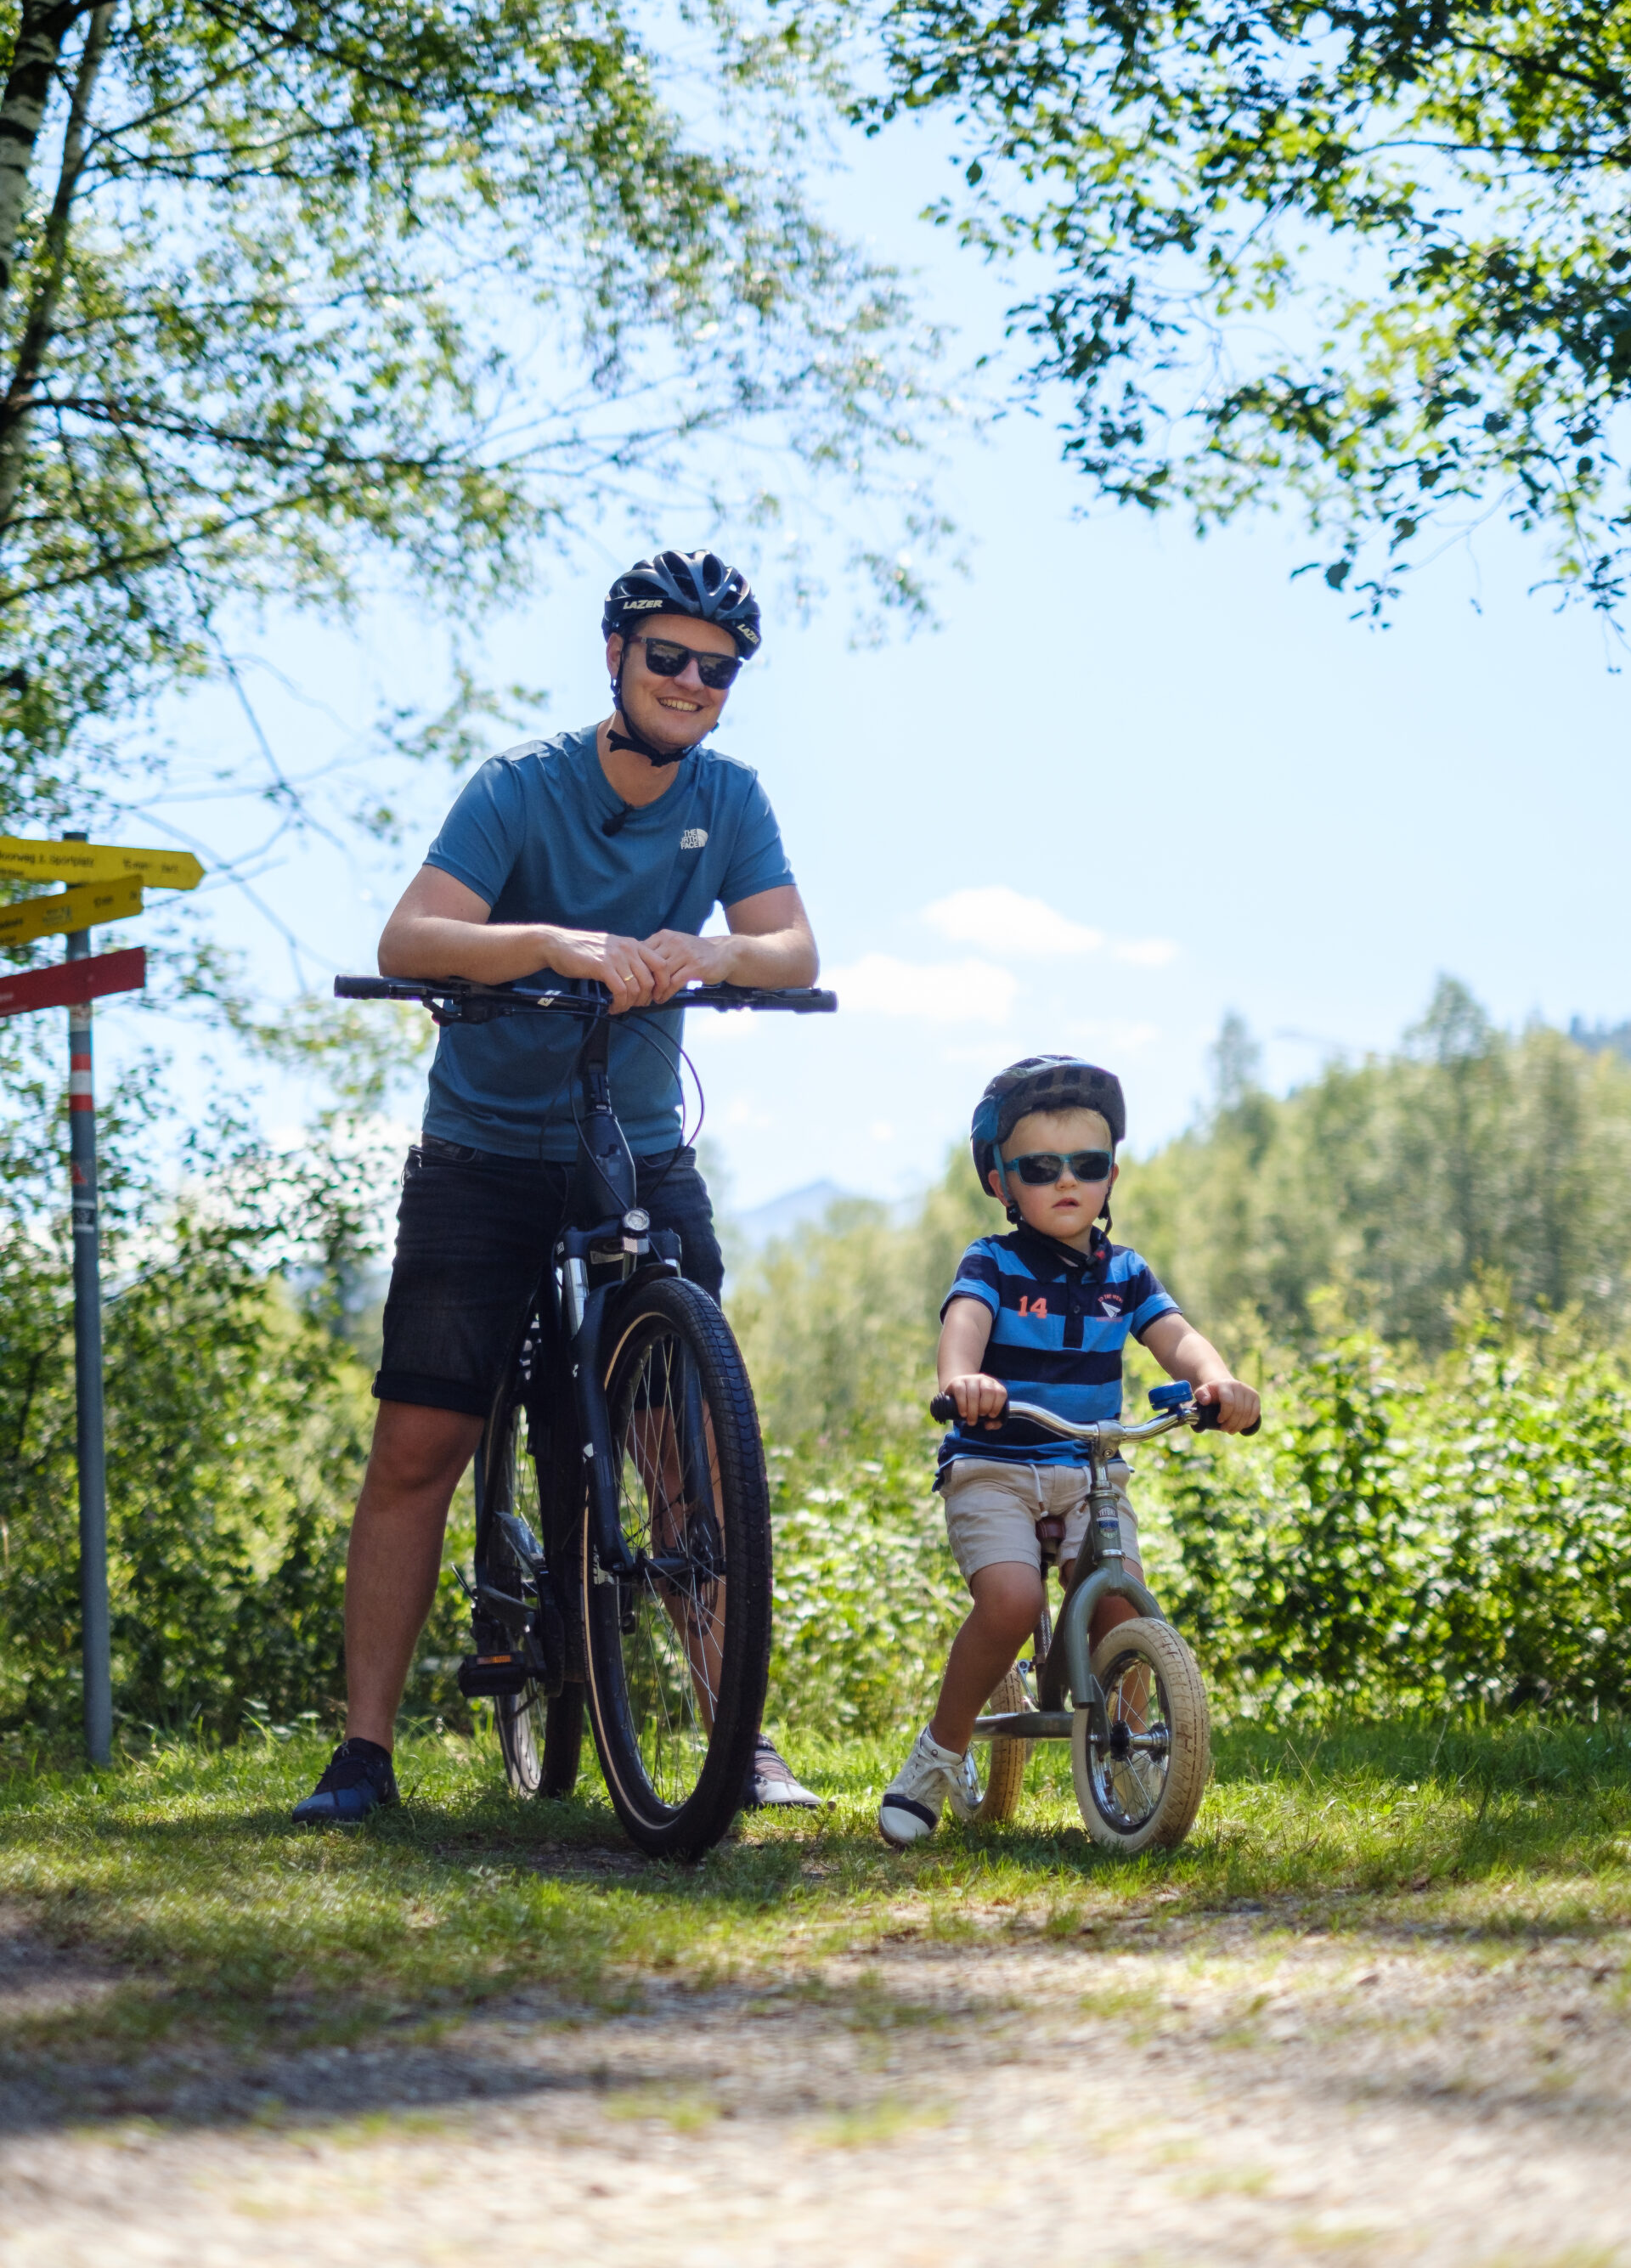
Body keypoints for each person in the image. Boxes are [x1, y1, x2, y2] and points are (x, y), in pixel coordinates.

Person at [295, 548, 823, 1822]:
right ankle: (364, 1756)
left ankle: (734, 1734)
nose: (693, 682)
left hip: (634, 1151)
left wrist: (708, 950)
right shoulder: (519, 788)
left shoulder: (730, 798)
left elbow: (794, 946)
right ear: (615, 656)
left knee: (693, 1444)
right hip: (482, 1156)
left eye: (719, 667)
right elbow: (408, 938)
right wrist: (550, 942)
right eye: (669, 657)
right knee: (422, 1443)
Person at [878, 1055, 1260, 1847]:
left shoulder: (1125, 1273)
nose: (1066, 1182)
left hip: (1091, 1468)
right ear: (1000, 1182)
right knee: (1012, 1603)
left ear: (1112, 1175)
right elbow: (964, 1330)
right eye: (1040, 1167)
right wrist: (964, 1382)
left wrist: (1218, 1382)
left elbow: (1178, 1340)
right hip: (997, 1465)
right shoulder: (992, 1262)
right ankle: (939, 1752)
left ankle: (1126, 1761)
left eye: (1087, 1165)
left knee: (1120, 1600)